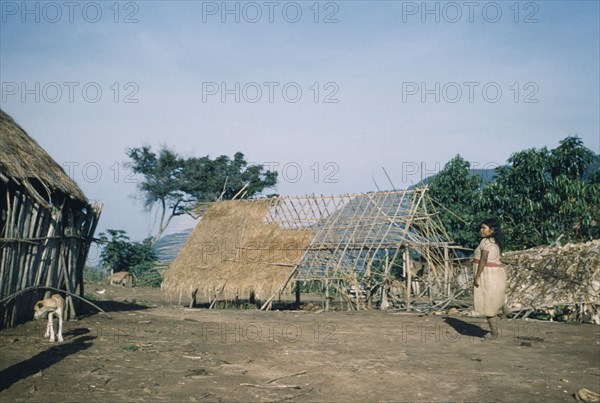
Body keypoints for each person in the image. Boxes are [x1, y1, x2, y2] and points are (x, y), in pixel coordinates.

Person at [473, 218, 506, 340]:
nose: (481, 230)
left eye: (484, 228)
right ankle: (505, 308)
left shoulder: (486, 242)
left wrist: (477, 276)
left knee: (488, 306)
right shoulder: (494, 242)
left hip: (488, 276)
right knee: (493, 302)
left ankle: (494, 333)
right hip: (496, 275)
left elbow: (483, 259)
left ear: (491, 230)